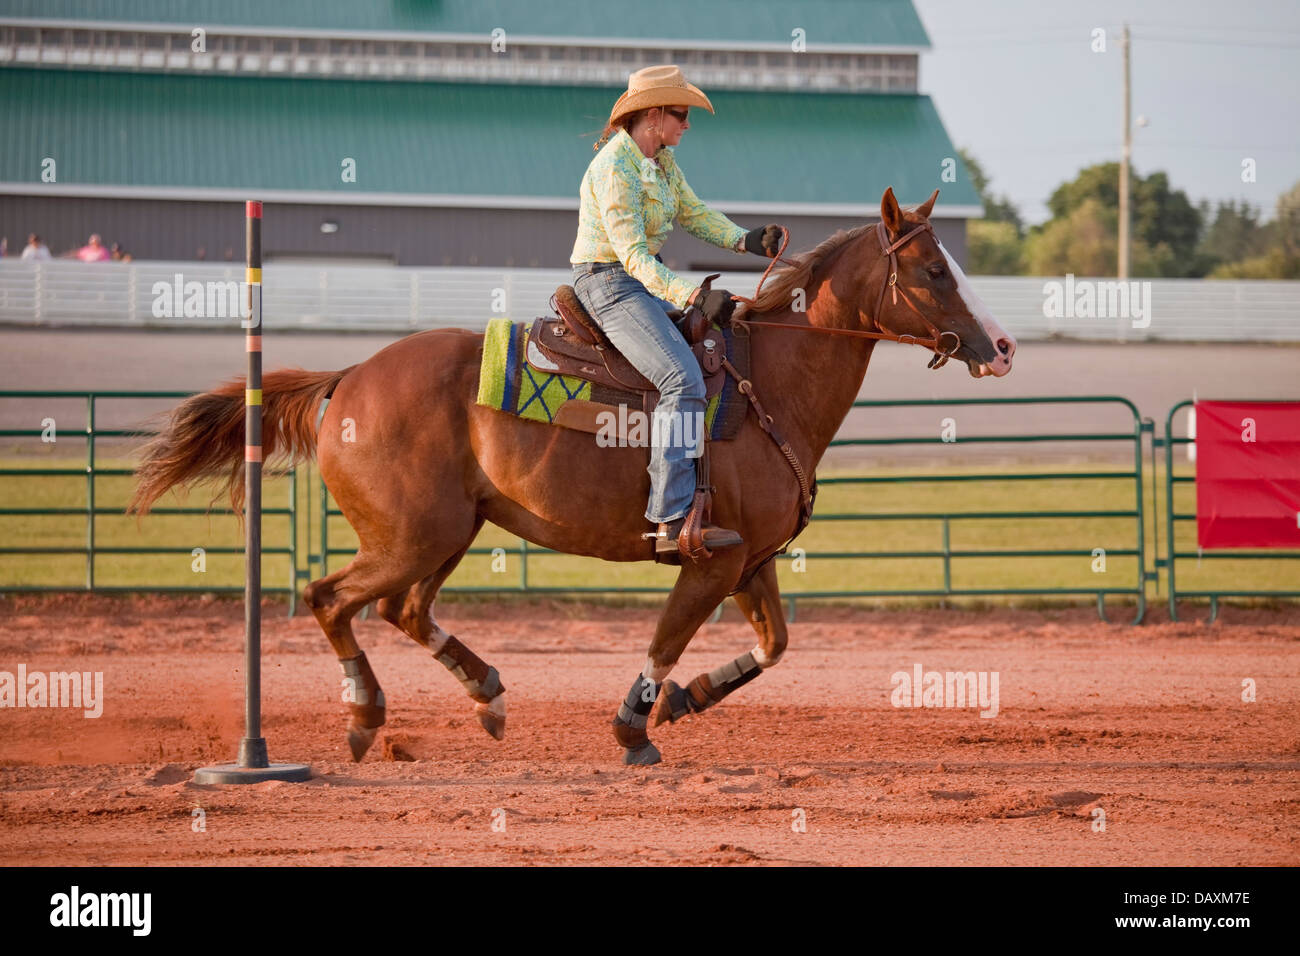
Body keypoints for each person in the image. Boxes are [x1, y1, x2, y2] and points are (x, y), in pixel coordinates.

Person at [570, 64, 785, 558]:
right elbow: (632, 256)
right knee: (681, 380)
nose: (687, 124)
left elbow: (693, 212)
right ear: (653, 115)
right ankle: (670, 520)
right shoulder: (613, 169)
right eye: (681, 114)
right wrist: (692, 296)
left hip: (638, 282)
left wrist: (744, 239)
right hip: (608, 283)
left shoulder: (661, 161)